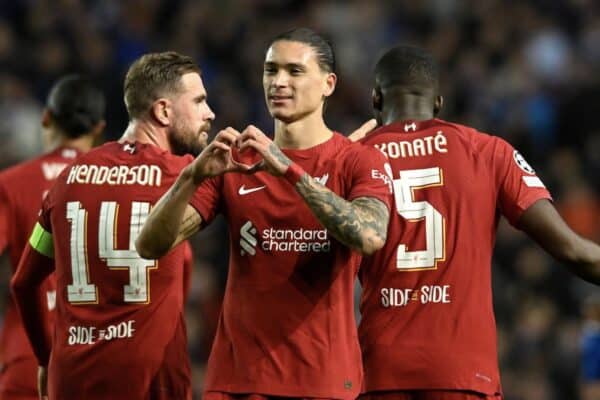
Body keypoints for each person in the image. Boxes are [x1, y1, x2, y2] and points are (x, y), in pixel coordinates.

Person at [136, 28, 392, 400]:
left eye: (294, 71)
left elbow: (369, 236)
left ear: (328, 84)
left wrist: (289, 170)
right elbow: (149, 245)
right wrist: (190, 178)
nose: (279, 82)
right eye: (271, 70)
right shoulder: (235, 162)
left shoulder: (357, 160)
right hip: (238, 384)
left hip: (323, 384)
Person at [356, 45, 600, 400]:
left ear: (375, 99)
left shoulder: (352, 159)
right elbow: (573, 251)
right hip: (463, 371)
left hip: (379, 369)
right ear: (438, 102)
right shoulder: (488, 151)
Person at [11, 51, 213, 400]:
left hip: (71, 380)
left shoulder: (68, 178)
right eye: (198, 101)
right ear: (164, 111)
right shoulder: (180, 175)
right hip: (150, 380)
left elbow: (24, 283)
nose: (209, 113)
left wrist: (46, 359)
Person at [0, 75, 105, 400]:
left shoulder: (11, 183)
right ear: (98, 129)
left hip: (29, 357)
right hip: (100, 358)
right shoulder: (118, 187)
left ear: (46, 117)